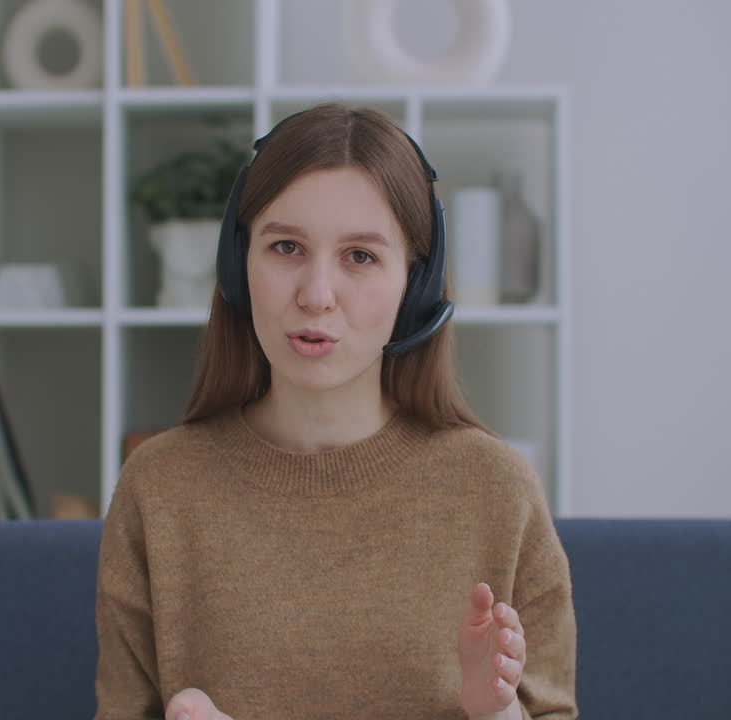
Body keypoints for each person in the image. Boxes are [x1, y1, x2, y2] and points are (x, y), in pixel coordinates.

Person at [95, 103, 577, 720]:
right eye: (286, 246)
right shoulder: (158, 488)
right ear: (237, 268)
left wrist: (495, 712)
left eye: (361, 256)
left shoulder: (497, 490)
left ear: (418, 288)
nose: (316, 295)